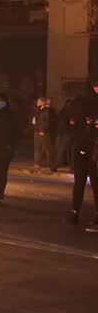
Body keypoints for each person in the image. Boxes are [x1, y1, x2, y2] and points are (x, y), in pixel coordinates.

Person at [65, 80, 98, 230]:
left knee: (95, 183)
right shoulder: (81, 103)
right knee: (79, 182)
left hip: (93, 149)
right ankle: (75, 211)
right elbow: (70, 124)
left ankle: (94, 214)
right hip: (82, 148)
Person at [32, 97, 55, 170]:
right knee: (37, 148)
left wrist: (43, 130)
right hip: (37, 131)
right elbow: (36, 119)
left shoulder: (47, 111)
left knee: (46, 148)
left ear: (42, 102)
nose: (37, 103)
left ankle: (51, 164)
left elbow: (47, 122)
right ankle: (37, 162)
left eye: (38, 101)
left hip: (42, 131)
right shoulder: (38, 110)